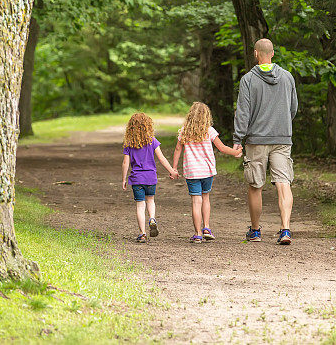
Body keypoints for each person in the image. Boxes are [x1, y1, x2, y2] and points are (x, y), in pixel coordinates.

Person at [233, 39, 298, 245]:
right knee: (283, 183)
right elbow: (293, 108)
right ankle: (285, 229)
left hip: (256, 139)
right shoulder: (287, 77)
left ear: (255, 54)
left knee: (255, 184)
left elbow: (243, 113)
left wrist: (238, 138)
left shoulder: (248, 80)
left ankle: (255, 231)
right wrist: (283, 126)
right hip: (282, 138)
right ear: (272, 54)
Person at [173, 102, 242, 243]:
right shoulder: (209, 130)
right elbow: (222, 147)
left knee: (195, 201)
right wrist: (235, 152)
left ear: (190, 115)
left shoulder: (184, 131)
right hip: (207, 170)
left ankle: (197, 233)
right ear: (206, 116)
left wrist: (174, 168)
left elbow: (178, 149)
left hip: (192, 172)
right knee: (206, 198)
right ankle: (207, 227)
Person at [121, 112, 179, 243]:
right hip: (151, 178)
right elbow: (162, 158)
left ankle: (142, 233)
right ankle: (152, 218)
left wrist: (124, 179)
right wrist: (172, 171)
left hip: (137, 179)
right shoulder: (152, 140)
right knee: (151, 200)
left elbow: (125, 163)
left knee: (140, 206)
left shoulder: (129, 143)